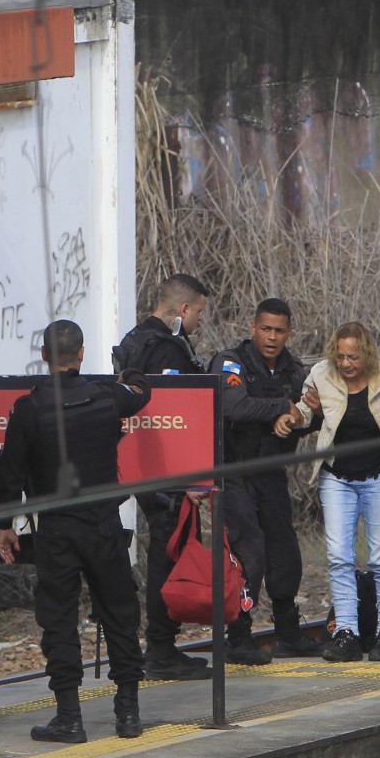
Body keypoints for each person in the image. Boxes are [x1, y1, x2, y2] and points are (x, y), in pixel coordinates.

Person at [0, 319, 151, 743]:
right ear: (81, 355)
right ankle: (128, 714)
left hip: (57, 530)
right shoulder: (106, 396)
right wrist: (130, 370)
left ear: (44, 356)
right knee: (120, 613)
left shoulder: (29, 409)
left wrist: (3, 526)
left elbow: (10, 475)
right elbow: (141, 394)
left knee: (59, 620)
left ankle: (69, 717)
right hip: (103, 525)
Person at [111, 272, 214, 681]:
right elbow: (175, 416)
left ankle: (158, 645)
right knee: (169, 552)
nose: (198, 322)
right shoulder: (168, 349)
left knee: (162, 550)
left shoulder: (135, 341)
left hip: (140, 464)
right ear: (183, 308)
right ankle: (162, 648)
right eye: (199, 313)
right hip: (169, 469)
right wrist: (192, 478)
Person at [211, 297, 319, 663]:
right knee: (249, 553)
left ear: (289, 332)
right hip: (234, 473)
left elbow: (309, 416)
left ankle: (288, 631)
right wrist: (278, 407)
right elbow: (234, 406)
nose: (272, 337)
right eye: (266, 329)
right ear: (253, 328)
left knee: (284, 553)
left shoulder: (294, 370)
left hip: (271, 472)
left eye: (280, 331)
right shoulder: (231, 361)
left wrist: (300, 417)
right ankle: (237, 635)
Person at [304, 322, 380, 662]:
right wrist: (294, 415)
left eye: (353, 356)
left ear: (366, 353)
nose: (347, 363)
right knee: (339, 557)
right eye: (340, 356)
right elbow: (305, 409)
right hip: (337, 476)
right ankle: (346, 632)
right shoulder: (321, 374)